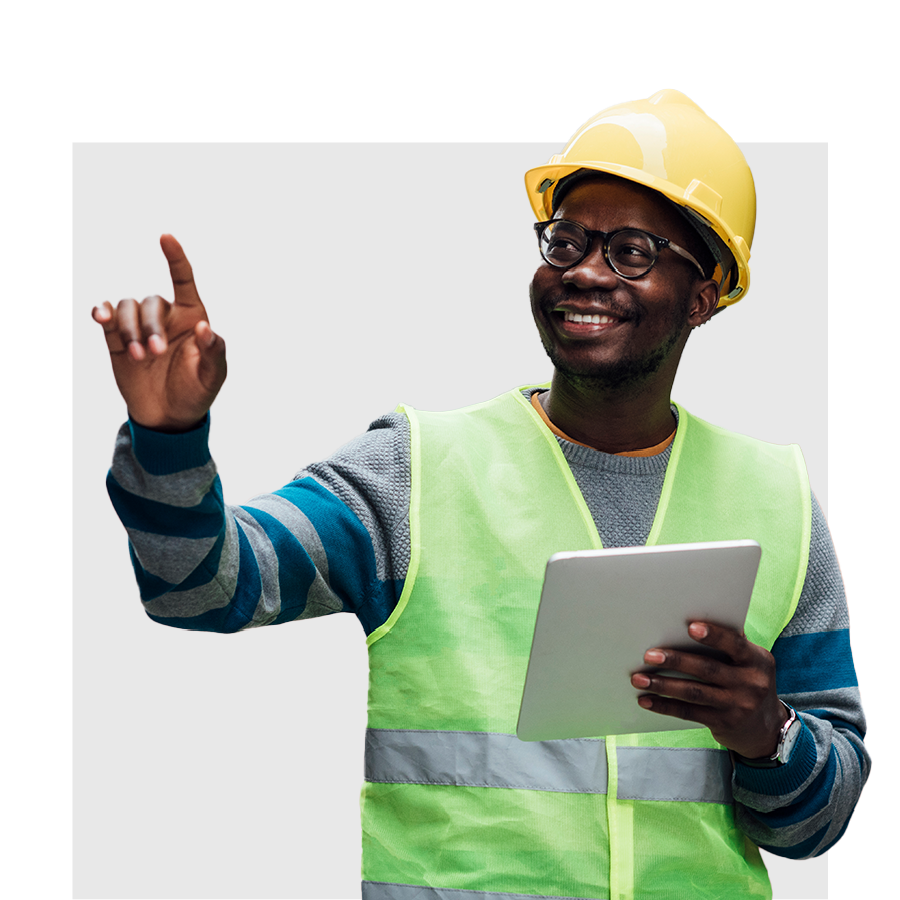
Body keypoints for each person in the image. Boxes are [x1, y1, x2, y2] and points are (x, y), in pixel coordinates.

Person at [91, 91, 869, 899]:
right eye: (565, 240)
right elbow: (200, 589)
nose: (585, 271)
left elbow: (820, 824)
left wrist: (767, 735)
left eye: (633, 250)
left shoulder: (776, 496)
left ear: (703, 295)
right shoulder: (415, 468)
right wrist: (169, 438)